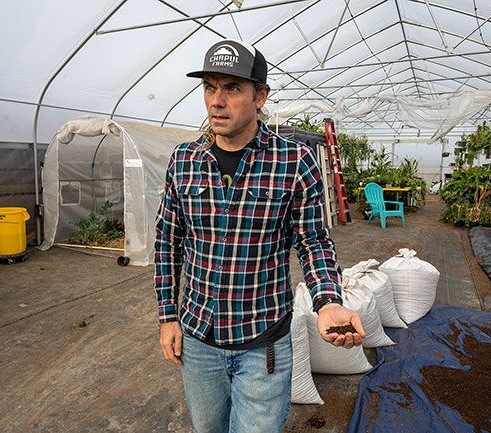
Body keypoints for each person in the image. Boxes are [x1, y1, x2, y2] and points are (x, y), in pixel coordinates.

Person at [154, 38, 365, 433]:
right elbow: (168, 241)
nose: (217, 100)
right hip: (199, 339)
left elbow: (313, 240)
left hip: (262, 343)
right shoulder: (184, 161)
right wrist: (168, 317)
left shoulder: (293, 161)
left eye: (232, 88)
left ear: (260, 96)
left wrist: (327, 301)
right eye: (209, 87)